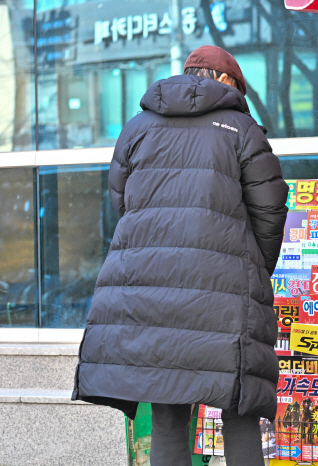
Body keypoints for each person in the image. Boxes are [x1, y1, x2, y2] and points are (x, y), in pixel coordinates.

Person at [71, 45, 289, 466]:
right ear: (226, 82)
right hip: (224, 296)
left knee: (169, 416)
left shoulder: (137, 127)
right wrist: (253, 269)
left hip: (148, 293)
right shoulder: (241, 129)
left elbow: (120, 201)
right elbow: (270, 211)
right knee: (239, 411)